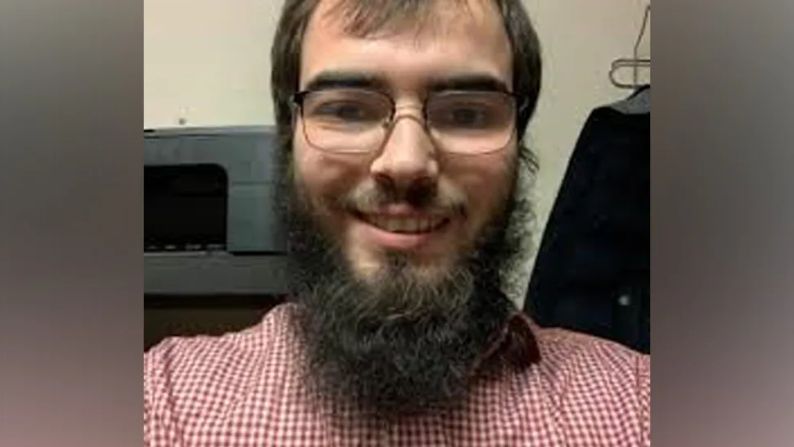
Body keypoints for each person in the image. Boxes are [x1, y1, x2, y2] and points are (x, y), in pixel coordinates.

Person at [144, 0, 651, 445]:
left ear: (519, 144)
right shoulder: (161, 406)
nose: (406, 162)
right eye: (346, 110)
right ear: (288, 140)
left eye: (467, 114)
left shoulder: (639, 407)